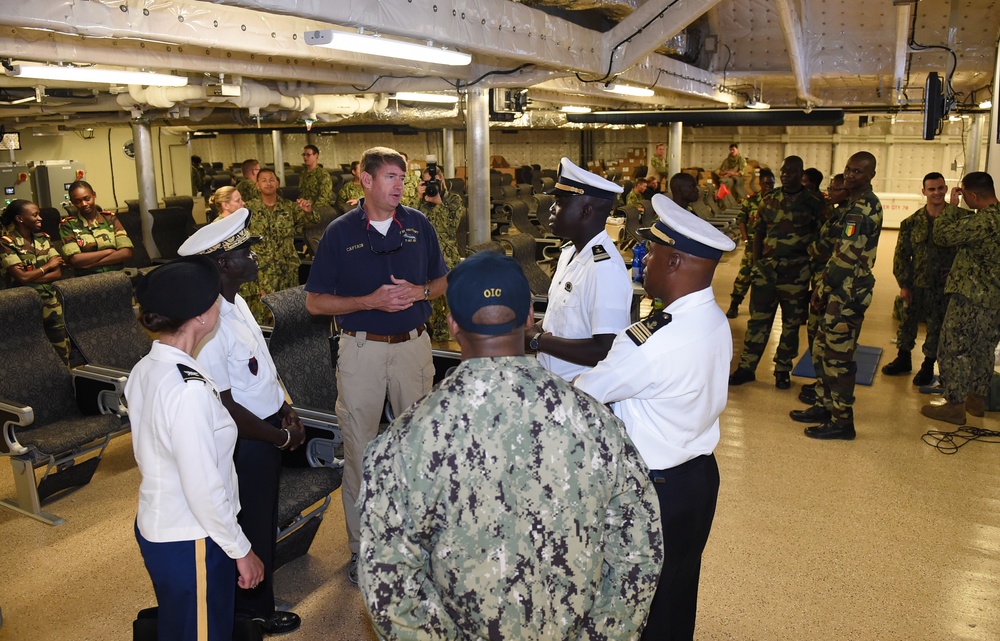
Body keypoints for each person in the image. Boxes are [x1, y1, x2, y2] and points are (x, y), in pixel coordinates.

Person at [358, 251, 663, 639]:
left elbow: (389, 586)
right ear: (530, 320)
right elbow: (638, 554)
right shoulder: (598, 424)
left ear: (451, 324)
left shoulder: (403, 442)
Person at [576, 193, 736, 641]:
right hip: (698, 478)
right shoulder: (710, 318)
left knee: (633, 604)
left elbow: (586, 394)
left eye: (654, 251)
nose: (642, 258)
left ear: (675, 263)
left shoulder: (655, 341)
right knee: (676, 594)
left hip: (655, 490)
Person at [304, 146, 448, 584]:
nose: (400, 185)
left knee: (421, 451)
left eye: (402, 177)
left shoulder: (418, 225)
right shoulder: (339, 232)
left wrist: (420, 293)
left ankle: (424, 547)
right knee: (361, 452)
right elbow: (314, 301)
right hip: (361, 350)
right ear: (364, 180)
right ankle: (362, 550)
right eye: (390, 177)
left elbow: (443, 280)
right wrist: (369, 301)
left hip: (413, 348)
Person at [179, 209, 306, 635]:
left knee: (262, 518)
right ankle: (252, 614)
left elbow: (261, 368)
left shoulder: (238, 303)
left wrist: (285, 407)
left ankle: (258, 603)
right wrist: (279, 435)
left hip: (265, 428)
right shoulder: (208, 320)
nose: (255, 255)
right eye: (245, 251)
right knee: (247, 524)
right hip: (246, 439)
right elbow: (225, 403)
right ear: (221, 264)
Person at [126, 256, 265, 641]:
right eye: (214, 299)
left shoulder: (148, 368)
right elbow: (203, 486)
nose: (220, 304)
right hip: (194, 538)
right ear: (202, 316)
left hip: (162, 524)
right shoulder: (188, 389)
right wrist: (241, 550)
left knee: (184, 628)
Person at [791, 152, 882, 440]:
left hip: (846, 294)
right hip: (837, 292)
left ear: (870, 175)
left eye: (858, 172)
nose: (851, 175)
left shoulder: (862, 210)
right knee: (822, 351)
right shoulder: (851, 205)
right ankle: (825, 405)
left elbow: (844, 259)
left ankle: (843, 421)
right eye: (848, 170)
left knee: (839, 360)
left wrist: (822, 288)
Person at [527, 157, 631, 382]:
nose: (552, 207)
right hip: (552, 384)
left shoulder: (604, 269)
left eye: (561, 201)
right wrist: (530, 329)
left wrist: (539, 341)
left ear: (585, 211)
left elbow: (606, 348)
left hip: (579, 394)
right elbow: (562, 321)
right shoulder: (568, 254)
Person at [729, 156, 824, 389]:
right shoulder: (769, 199)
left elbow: (822, 237)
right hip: (767, 271)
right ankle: (747, 368)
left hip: (797, 273)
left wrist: (815, 274)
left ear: (800, 173)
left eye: (791, 171)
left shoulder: (814, 202)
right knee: (757, 321)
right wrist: (757, 263)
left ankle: (782, 369)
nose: (785, 175)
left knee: (791, 325)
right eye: (783, 171)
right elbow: (758, 232)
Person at [921, 172, 1000, 425]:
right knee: (984, 349)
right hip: (994, 301)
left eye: (965, 194)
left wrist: (952, 208)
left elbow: (942, 236)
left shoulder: (984, 221)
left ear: (974, 195)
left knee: (954, 349)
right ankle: (976, 402)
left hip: (970, 297)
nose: (963, 198)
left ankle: (954, 405)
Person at [880, 172, 959, 385]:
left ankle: (927, 365)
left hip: (943, 285)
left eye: (940, 188)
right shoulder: (911, 222)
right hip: (916, 283)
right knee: (908, 321)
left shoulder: (957, 217)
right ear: (924, 191)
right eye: (931, 189)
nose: (936, 193)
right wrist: (903, 284)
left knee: (936, 325)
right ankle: (903, 358)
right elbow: (901, 254)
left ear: (945, 189)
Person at [242, 168, 319, 324]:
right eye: (263, 180)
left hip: (287, 269)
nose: (268, 183)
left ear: (277, 183)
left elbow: (312, 222)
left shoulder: (289, 207)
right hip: (262, 273)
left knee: (289, 315)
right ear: (257, 185)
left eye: (272, 180)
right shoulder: (248, 210)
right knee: (265, 317)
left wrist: (308, 211)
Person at [798, 173, 849, 406]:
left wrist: (810, 249)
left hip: (830, 283)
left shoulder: (845, 218)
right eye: (831, 188)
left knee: (823, 337)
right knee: (816, 335)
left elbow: (826, 249)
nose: (831, 192)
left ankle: (825, 389)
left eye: (836, 189)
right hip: (821, 278)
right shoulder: (835, 213)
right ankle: (821, 384)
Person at [0, 199, 70, 364]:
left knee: (61, 351)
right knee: (30, 353)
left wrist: (34, 274)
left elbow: (57, 273)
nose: (40, 218)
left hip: (51, 301)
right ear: (20, 218)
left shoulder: (43, 238)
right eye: (35, 215)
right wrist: (48, 266)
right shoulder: (6, 243)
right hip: (24, 304)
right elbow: (21, 278)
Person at [416, 165, 465, 341]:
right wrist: (418, 198)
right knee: (432, 305)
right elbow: (410, 225)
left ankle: (454, 336)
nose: (432, 186)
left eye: (435, 181)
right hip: (425, 259)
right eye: (427, 182)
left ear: (442, 180)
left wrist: (439, 204)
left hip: (448, 257)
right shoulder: (419, 203)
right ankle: (435, 337)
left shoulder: (453, 200)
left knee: (451, 300)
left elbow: (452, 227)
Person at [726, 168, 775, 318]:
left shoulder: (777, 201)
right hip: (752, 245)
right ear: (760, 183)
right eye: (766, 184)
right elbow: (742, 220)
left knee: (764, 277)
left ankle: (757, 306)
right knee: (744, 275)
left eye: (771, 184)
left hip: (769, 247)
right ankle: (734, 304)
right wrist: (746, 239)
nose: (769, 187)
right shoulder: (751, 200)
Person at [59, 180, 134, 275]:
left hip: (116, 274)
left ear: (94, 195)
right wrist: (109, 251)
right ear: (72, 202)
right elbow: (76, 259)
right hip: (88, 279)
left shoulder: (110, 219)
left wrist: (93, 263)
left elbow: (126, 252)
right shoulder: (68, 225)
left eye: (87, 199)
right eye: (77, 201)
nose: (84, 204)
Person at [297, 145, 333, 212]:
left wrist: (311, 209)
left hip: (318, 210)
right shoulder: (303, 174)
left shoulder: (323, 174)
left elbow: (324, 198)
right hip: (303, 208)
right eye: (304, 155)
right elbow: (301, 193)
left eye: (308, 155)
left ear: (316, 155)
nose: (305, 157)